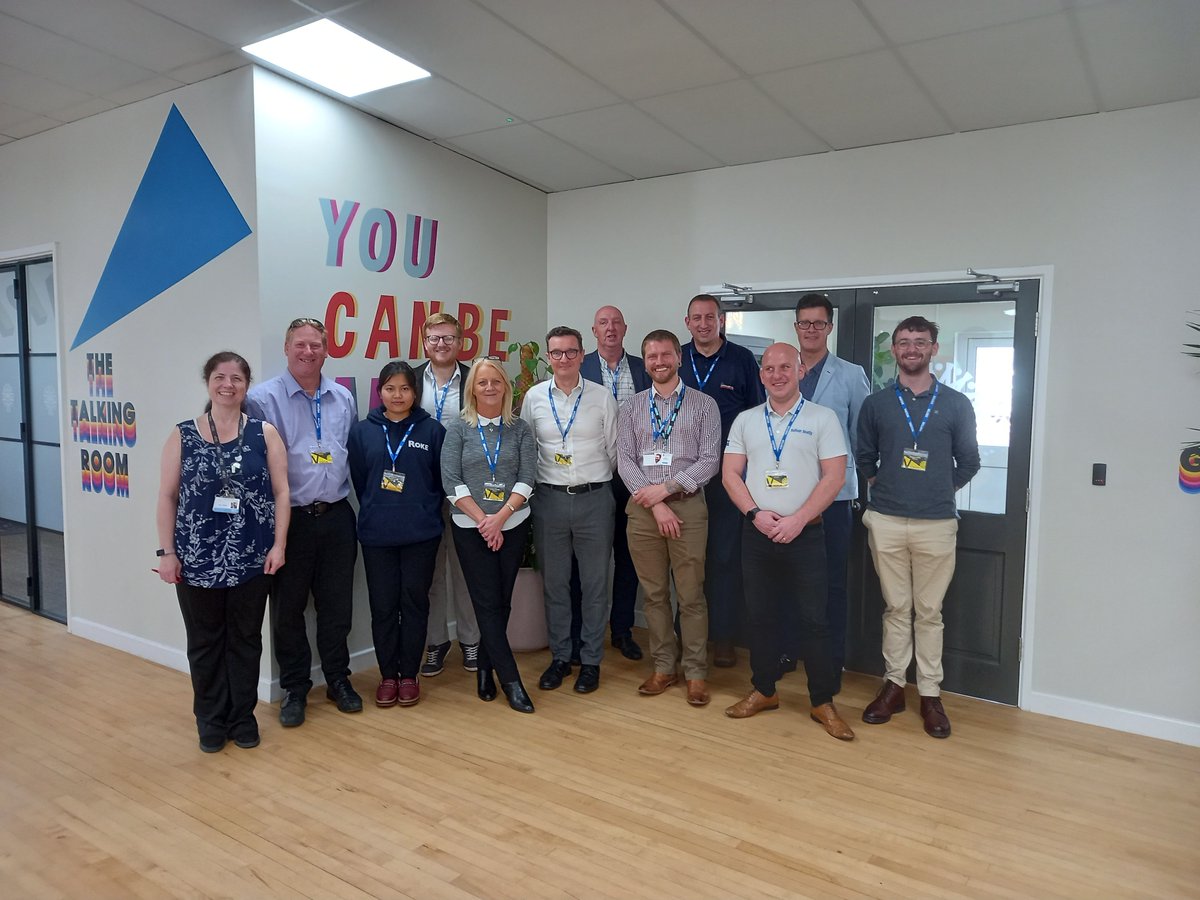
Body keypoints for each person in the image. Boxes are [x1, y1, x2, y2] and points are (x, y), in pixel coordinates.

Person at [156, 351, 289, 752]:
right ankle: (210, 721)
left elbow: (283, 493)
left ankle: (242, 718)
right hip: (196, 559)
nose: (228, 384)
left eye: (236, 378)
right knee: (204, 641)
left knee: (245, 640)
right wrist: (167, 553)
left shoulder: (264, 433)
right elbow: (166, 496)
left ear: (247, 385)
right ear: (208, 382)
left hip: (253, 556)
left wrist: (279, 545)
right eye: (220, 376)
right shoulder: (183, 434)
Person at [720, 344, 855, 740]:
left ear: (799, 371)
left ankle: (822, 701)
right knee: (760, 616)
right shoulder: (746, 421)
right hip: (758, 532)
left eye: (785, 367)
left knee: (815, 619)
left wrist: (797, 520)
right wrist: (755, 515)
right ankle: (764, 690)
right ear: (761, 375)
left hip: (806, 532)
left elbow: (834, 477)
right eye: (770, 369)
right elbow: (731, 475)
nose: (777, 374)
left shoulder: (823, 418)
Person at [857, 316, 980, 738]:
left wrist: (935, 488)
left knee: (929, 613)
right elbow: (864, 456)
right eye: (904, 342)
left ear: (934, 349)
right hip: (886, 520)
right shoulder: (877, 404)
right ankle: (894, 686)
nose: (912, 349)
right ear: (894, 350)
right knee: (896, 609)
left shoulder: (956, 404)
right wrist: (886, 484)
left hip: (937, 523)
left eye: (920, 342)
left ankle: (930, 694)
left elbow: (970, 461)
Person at [247, 316, 362, 727]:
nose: (308, 352)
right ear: (286, 347)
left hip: (336, 517)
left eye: (315, 345)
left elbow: (349, 450)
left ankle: (337, 679)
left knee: (337, 607)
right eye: (300, 345)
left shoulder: (343, 397)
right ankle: (295, 688)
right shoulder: (262, 399)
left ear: (327, 350)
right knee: (288, 610)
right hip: (289, 521)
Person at [617, 329, 721, 707]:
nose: (659, 362)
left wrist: (670, 489)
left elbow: (710, 459)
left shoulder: (704, 405)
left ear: (679, 357)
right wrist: (656, 502)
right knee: (655, 595)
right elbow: (624, 460)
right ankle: (663, 666)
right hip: (644, 509)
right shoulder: (630, 407)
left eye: (665, 355)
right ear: (644, 362)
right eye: (651, 357)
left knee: (691, 596)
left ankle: (695, 673)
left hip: (689, 507)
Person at [521, 326, 619, 694]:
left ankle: (591, 661)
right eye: (557, 353)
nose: (564, 359)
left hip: (595, 499)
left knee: (595, 586)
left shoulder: (601, 397)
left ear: (582, 354)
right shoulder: (533, 397)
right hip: (549, 501)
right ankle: (561, 657)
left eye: (571, 352)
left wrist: (593, 483)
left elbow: (613, 450)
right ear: (548, 358)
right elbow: (528, 447)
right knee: (556, 585)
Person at [441, 357, 538, 713]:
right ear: (472, 389)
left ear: (506, 386)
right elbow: (451, 481)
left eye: (496, 381)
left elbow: (528, 477)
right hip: (470, 527)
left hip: (512, 524)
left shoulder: (520, 428)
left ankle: (484, 668)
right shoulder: (458, 429)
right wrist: (485, 520)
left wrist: (501, 519)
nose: (490, 388)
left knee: (502, 600)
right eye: (482, 382)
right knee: (485, 601)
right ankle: (511, 681)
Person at [785, 293, 871, 689]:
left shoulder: (851, 375)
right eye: (805, 323)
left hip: (833, 498)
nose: (811, 330)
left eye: (819, 323)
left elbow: (861, 438)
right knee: (785, 578)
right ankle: (788, 651)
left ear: (830, 328)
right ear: (796, 326)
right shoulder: (781, 369)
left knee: (831, 584)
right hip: (784, 497)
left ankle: (831, 662)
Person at [348, 361, 446, 709]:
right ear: (380, 392)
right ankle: (388, 674)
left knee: (415, 603)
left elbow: (439, 480)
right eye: (390, 388)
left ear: (415, 393)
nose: (398, 395)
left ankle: (409, 675)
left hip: (421, 533)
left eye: (405, 388)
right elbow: (360, 480)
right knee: (384, 606)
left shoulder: (432, 431)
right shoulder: (362, 432)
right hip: (377, 535)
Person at [679, 293, 763, 668]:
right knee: (687, 559)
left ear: (721, 321)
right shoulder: (676, 358)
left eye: (709, 317)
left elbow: (757, 416)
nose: (703, 324)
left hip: (729, 477)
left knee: (726, 558)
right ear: (687, 322)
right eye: (696, 318)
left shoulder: (742, 360)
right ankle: (690, 636)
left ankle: (725, 637)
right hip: (683, 477)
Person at [577, 304, 651, 661]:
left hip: (634, 478)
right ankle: (582, 632)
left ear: (626, 329)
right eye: (603, 323)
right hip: (593, 476)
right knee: (588, 560)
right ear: (594, 331)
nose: (610, 329)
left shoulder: (643, 368)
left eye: (616, 323)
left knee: (628, 557)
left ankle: (621, 629)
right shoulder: (579, 366)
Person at [412, 312, 479, 678]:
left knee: (467, 569)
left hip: (466, 489)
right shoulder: (410, 379)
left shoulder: (473, 379)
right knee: (431, 572)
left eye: (448, 338)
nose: (441, 344)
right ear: (425, 342)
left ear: (460, 342)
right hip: (423, 490)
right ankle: (436, 642)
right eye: (435, 338)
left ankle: (471, 640)